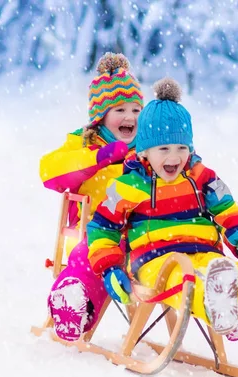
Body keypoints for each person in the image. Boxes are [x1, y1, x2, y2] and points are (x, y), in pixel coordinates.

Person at [87, 78, 238, 339]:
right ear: (144, 152)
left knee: (222, 270)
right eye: (164, 148)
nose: (174, 157)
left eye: (182, 148)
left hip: (204, 251)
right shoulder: (127, 186)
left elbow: (227, 209)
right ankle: (220, 309)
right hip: (156, 260)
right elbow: (102, 228)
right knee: (185, 281)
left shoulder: (202, 177)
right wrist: (110, 267)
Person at [39, 52, 144, 341]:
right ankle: (75, 303)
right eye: (121, 109)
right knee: (91, 258)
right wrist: (98, 157)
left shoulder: (150, 148)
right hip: (96, 232)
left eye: (136, 110)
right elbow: (50, 171)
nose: (130, 117)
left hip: (146, 233)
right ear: (101, 115)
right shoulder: (85, 142)